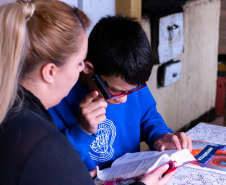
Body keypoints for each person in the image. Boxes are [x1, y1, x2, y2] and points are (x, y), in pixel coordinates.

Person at [49, 14, 192, 177]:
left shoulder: (127, 81)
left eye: (132, 90)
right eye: (117, 91)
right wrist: (82, 130)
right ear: (89, 68)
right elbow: (56, 166)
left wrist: (160, 135)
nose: (124, 99)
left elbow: (147, 115)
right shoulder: (56, 98)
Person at [0, 1, 95, 184]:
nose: (82, 69)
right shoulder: (42, 142)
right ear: (50, 72)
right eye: (79, 62)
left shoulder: (10, 110)